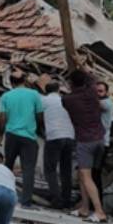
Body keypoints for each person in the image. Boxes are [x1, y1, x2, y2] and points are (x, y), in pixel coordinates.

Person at [62, 70, 107, 222]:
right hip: (100, 139)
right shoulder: (92, 93)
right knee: (83, 175)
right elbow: (92, 79)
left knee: (86, 177)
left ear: (71, 84)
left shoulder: (67, 99)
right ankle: (84, 208)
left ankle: (99, 211)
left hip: (85, 141)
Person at [0, 73, 43, 208]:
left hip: (11, 135)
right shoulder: (34, 95)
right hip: (29, 137)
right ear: (24, 81)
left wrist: (0, 135)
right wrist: (38, 129)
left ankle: (3, 197)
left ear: (11, 82)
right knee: (28, 170)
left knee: (7, 167)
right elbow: (40, 116)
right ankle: (26, 202)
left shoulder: (6, 96)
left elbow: (2, 117)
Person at [41, 81, 76, 209]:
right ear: (58, 90)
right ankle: (67, 200)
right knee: (66, 170)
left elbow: (38, 115)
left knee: (50, 169)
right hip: (69, 136)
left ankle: (56, 199)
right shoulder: (66, 100)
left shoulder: (43, 100)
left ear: (46, 91)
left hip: (54, 136)